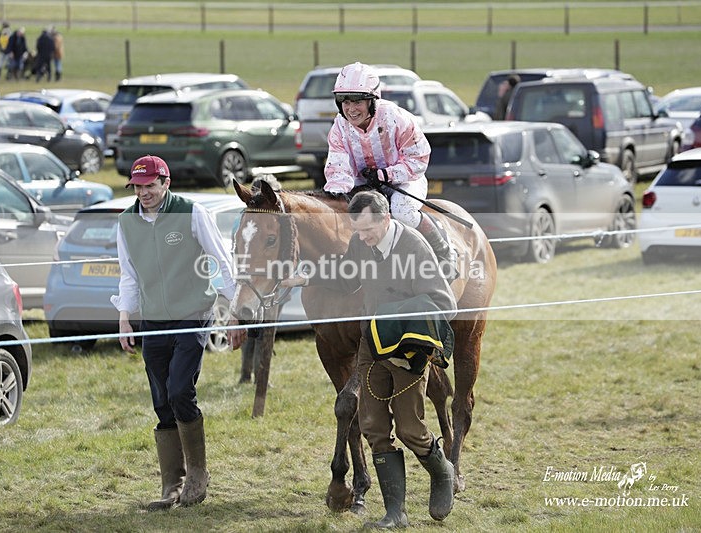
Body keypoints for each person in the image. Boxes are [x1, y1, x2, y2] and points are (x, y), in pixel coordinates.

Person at [282, 190, 457, 527]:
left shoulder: (414, 247)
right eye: (357, 232)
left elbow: (443, 303)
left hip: (409, 351)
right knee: (373, 428)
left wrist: (396, 318)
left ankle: (443, 470)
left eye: (368, 231)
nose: (362, 239)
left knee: (410, 430)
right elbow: (348, 277)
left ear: (387, 219)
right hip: (371, 345)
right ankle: (395, 513)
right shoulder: (361, 243)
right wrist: (305, 277)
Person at [111, 155, 246, 511]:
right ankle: (172, 484)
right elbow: (129, 275)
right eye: (138, 187)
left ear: (165, 183)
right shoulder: (125, 223)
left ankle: (198, 474)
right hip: (152, 320)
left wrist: (236, 313)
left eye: (150, 186)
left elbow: (220, 261)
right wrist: (125, 317)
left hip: (192, 315)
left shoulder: (192, 212)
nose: (144, 193)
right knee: (160, 399)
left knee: (179, 389)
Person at [322, 61, 456, 272]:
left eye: (357, 101)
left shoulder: (397, 117)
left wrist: (386, 174)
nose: (350, 109)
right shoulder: (339, 125)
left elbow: (418, 159)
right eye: (344, 101)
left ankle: (443, 250)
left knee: (402, 211)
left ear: (372, 101)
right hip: (364, 185)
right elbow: (337, 167)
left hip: (405, 181)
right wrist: (336, 196)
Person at [238, 174, 283, 384]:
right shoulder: (252, 220)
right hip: (257, 283)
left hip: (270, 284)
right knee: (256, 330)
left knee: (262, 330)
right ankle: (252, 376)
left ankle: (255, 375)